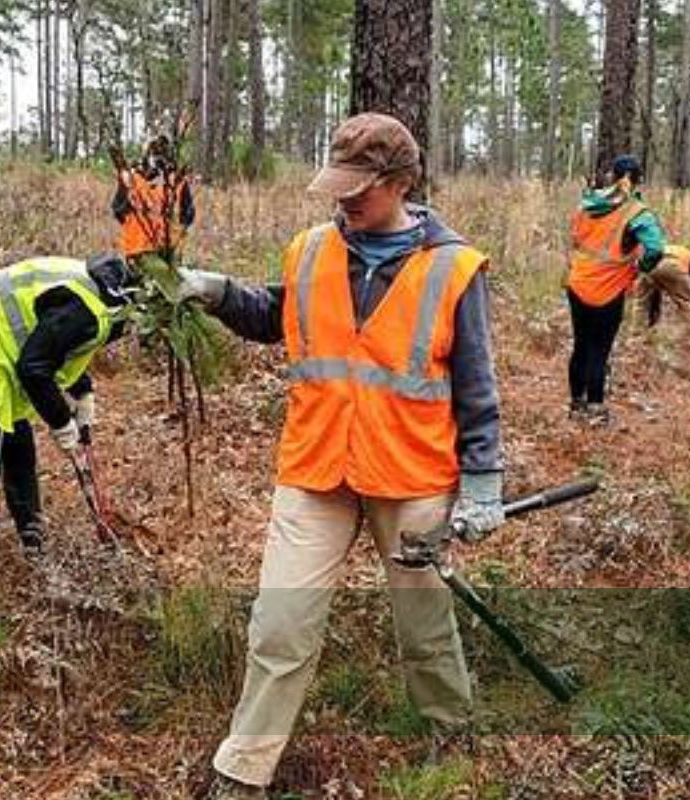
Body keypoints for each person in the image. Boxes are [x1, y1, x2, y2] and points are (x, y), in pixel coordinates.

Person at [176, 112, 504, 799]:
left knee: (423, 623)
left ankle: (452, 736)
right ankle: (244, 769)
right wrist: (212, 291)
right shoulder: (311, 249)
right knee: (280, 623)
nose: (344, 202)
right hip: (317, 465)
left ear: (401, 182)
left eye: (359, 190)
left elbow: (476, 384)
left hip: (410, 473)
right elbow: (277, 315)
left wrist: (482, 483)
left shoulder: (454, 267)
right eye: (338, 187)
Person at [0, 254, 135, 586]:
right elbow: (35, 367)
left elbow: (59, 340)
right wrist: (62, 422)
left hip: (2, 349)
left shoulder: (107, 294)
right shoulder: (91, 309)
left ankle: (37, 558)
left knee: (21, 459)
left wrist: (82, 390)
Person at [564, 155, 667, 423]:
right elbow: (656, 248)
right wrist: (639, 267)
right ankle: (596, 410)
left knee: (581, 345)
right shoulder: (636, 212)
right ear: (638, 180)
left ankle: (576, 405)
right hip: (608, 289)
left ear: (612, 176)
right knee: (599, 349)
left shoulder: (588, 202)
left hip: (578, 282)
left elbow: (575, 238)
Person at [112, 135, 196, 270]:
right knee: (170, 284)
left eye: (162, 151)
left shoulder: (176, 180)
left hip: (167, 250)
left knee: (180, 283)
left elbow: (188, 214)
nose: (159, 156)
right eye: (156, 151)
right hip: (140, 251)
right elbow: (118, 209)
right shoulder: (132, 178)